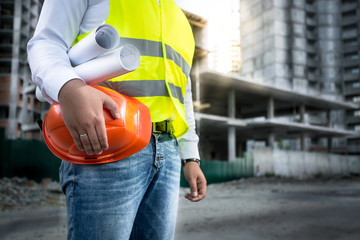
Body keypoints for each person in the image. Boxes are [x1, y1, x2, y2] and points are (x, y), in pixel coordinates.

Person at [27, 0, 207, 239]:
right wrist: (68, 86)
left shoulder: (180, 18)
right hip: (107, 140)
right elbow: (46, 42)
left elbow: (181, 92)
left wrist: (190, 156)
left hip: (168, 152)